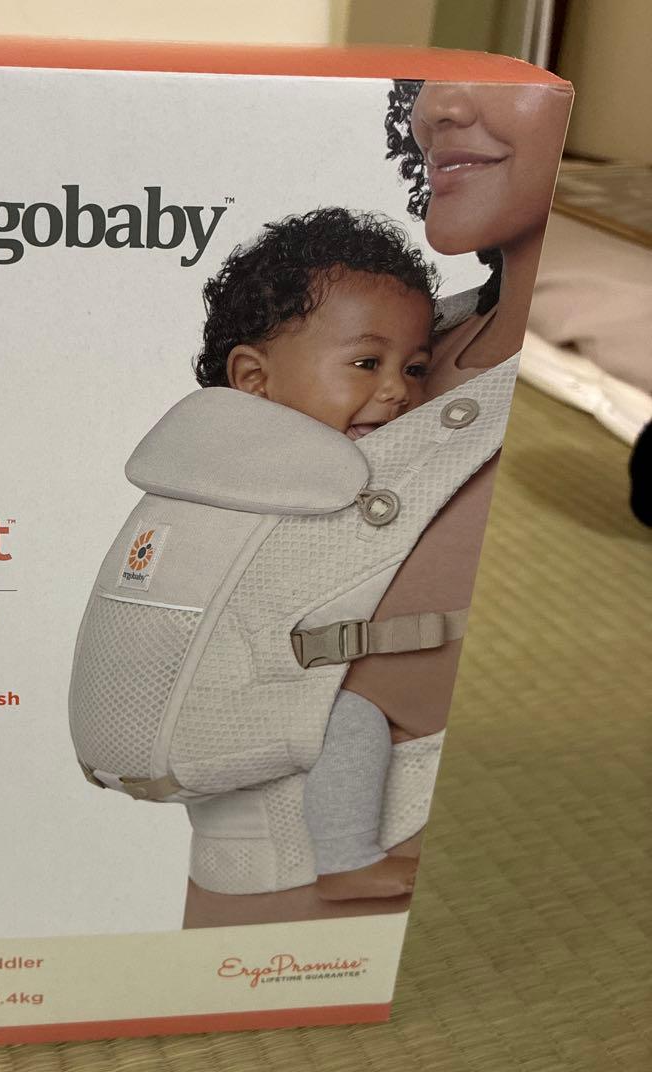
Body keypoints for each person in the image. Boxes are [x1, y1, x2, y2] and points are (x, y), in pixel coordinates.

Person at [183, 79, 570, 929]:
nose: (436, 108)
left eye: (502, 78)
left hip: (423, 884)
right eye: (424, 86)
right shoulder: (374, 331)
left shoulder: (566, 404)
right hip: (238, 859)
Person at [192, 207, 437, 899]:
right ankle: (347, 862)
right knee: (349, 721)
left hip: (234, 692)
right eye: (366, 363)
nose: (398, 390)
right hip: (213, 698)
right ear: (254, 379)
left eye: (415, 368)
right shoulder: (265, 475)